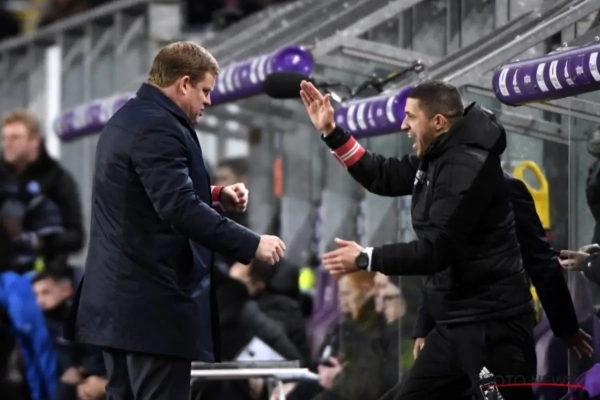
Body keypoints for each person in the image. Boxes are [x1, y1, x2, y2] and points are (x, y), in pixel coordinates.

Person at [64, 41, 286, 400]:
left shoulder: (128, 118)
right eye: (205, 90)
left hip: (120, 306)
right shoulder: (160, 127)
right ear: (184, 83)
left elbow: (144, 194)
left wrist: (214, 195)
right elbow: (177, 207)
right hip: (151, 307)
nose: (209, 101)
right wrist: (252, 243)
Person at [299, 79, 535, 400]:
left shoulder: (467, 167)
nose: (403, 125)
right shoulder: (438, 157)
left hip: (491, 327)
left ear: (438, 122)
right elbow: (382, 175)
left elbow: (435, 251)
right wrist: (331, 132)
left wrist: (367, 257)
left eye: (411, 117)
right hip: (455, 323)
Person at [412, 173, 593, 361]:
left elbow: (539, 261)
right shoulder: (442, 190)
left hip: (496, 332)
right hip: (451, 331)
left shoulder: (505, 189)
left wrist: (567, 328)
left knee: (489, 380)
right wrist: (424, 326)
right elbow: (436, 263)